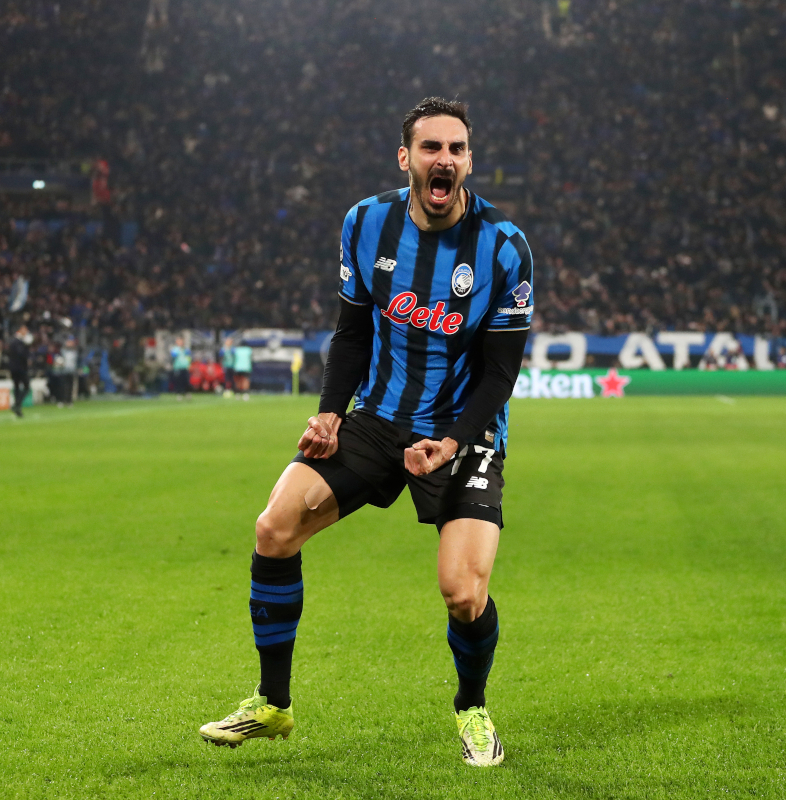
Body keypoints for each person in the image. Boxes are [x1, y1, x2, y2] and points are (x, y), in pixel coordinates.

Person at [199, 98, 534, 768]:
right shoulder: (365, 223)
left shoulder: (503, 248)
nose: (446, 160)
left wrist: (452, 441)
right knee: (275, 527)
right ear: (406, 157)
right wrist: (329, 410)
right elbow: (351, 332)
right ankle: (272, 705)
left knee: (463, 592)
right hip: (376, 417)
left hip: (462, 430)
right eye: (431, 147)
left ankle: (471, 707)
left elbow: (501, 373)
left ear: (470, 159)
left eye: (458, 149)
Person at [8, 325, 31, 417]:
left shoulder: (14, 341)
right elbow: (21, 354)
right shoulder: (18, 342)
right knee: (26, 387)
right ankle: (17, 404)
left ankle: (18, 408)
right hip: (19, 368)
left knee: (17, 387)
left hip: (14, 368)